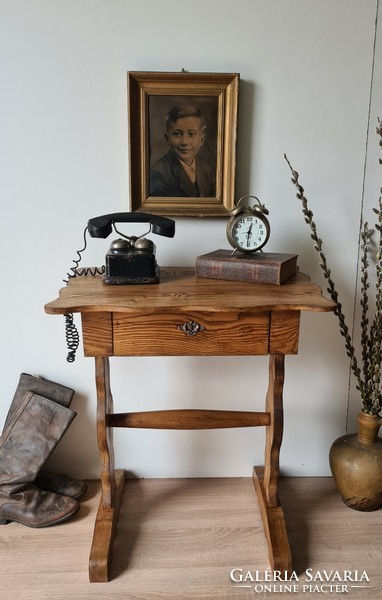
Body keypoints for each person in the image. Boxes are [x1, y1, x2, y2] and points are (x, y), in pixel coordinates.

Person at [149, 103, 216, 197]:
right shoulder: (158, 174)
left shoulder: (206, 169)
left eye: (191, 134)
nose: (184, 142)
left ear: (202, 139)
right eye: (177, 134)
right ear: (167, 138)